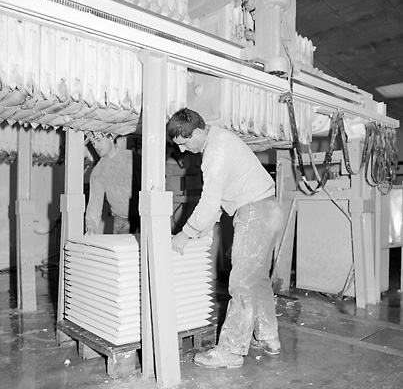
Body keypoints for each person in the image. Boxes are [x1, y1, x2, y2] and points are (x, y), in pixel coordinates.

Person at [167, 108, 283, 369]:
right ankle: (268, 338)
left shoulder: (214, 152)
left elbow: (209, 201)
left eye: (184, 143)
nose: (183, 151)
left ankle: (230, 351)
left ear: (197, 132)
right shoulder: (221, 140)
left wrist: (186, 234)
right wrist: (205, 230)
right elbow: (220, 200)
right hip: (268, 209)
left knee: (241, 283)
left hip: (254, 211)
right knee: (257, 280)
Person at [85, 133, 141, 235]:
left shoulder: (133, 158)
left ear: (111, 138)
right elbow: (95, 202)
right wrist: (91, 227)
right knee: (121, 250)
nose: (96, 146)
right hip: (121, 221)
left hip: (144, 216)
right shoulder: (98, 171)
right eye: (93, 143)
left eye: (98, 140)